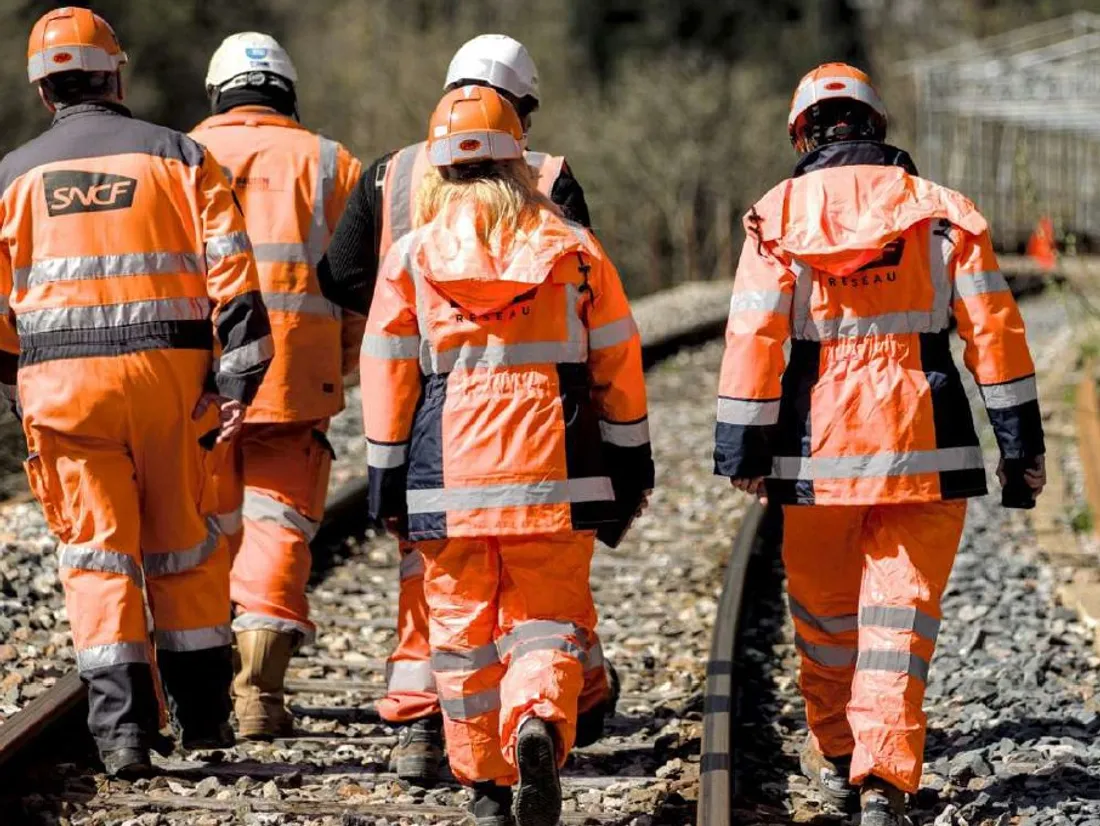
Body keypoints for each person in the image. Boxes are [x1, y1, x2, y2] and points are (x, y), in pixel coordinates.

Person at [714, 63, 1046, 825]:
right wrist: (1020, 446)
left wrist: (742, 449)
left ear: (803, 132)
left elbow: (753, 337)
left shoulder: (778, 213)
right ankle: (882, 779)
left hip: (816, 451)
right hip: (924, 451)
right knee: (898, 622)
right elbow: (994, 335)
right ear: (877, 127)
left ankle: (835, 754)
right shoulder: (940, 211)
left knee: (827, 617)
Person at [319, 33, 616, 782]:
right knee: (536, 583)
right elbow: (588, 297)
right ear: (523, 109)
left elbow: (341, 271)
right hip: (535, 412)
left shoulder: (390, 171)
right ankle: (541, 705)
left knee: (438, 579)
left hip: (426, 402)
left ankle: (425, 727)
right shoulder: (546, 172)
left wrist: (418, 318)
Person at [362, 86, 653, 826]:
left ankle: (488, 787)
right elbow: (617, 361)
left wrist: (385, 476)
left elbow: (390, 369)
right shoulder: (570, 249)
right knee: (548, 618)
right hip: (552, 461)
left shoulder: (412, 255)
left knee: (459, 634)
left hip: (446, 467)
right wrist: (630, 460)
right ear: (517, 161)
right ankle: (537, 725)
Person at [0, 7, 273, 777]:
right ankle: (204, 720)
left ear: (44, 91)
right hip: (170, 386)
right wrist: (237, 382)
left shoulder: (11, 177)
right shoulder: (180, 156)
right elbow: (236, 279)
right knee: (184, 552)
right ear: (114, 74)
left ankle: (123, 736)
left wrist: (24, 391)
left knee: (97, 560)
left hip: (62, 392)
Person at [190, 33, 364, 740]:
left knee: (193, 531)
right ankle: (257, 692)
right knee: (279, 528)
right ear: (287, 94)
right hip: (295, 376)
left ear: (217, 93)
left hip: (193, 381)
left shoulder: (175, 154)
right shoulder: (330, 161)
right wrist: (341, 360)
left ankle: (186, 683)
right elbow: (361, 286)